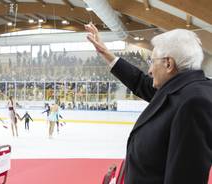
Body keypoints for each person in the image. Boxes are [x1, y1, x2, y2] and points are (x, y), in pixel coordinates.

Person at [85, 23, 212, 183]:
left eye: (152, 62)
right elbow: (140, 82)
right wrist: (105, 53)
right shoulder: (179, 90)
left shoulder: (194, 102)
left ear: (168, 64)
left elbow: (184, 177)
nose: (150, 70)